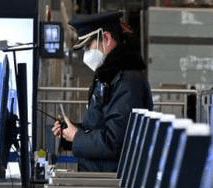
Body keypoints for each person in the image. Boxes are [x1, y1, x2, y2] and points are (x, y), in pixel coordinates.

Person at [52, 11, 154, 172]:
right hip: (99, 173)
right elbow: (99, 126)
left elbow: (115, 142)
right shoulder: (110, 76)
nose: (86, 54)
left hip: (111, 179)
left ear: (106, 38)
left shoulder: (126, 81)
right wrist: (71, 132)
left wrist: (77, 137)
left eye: (88, 46)